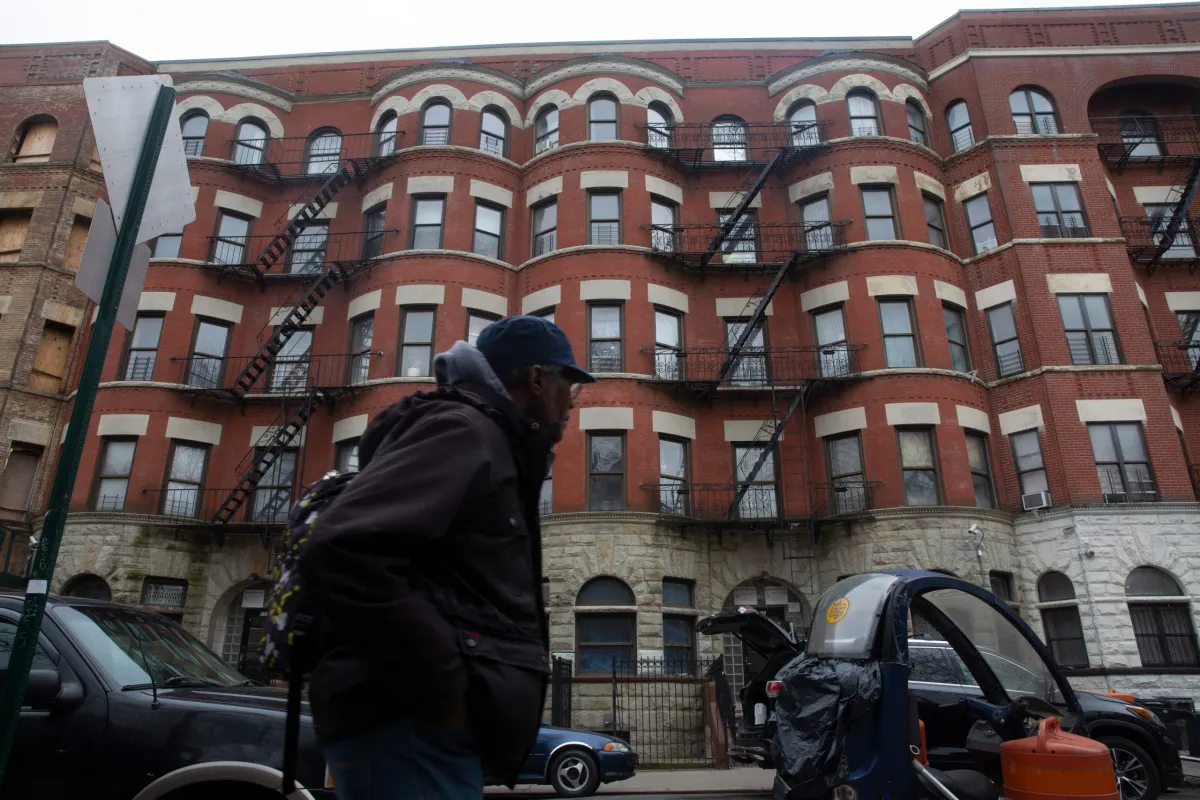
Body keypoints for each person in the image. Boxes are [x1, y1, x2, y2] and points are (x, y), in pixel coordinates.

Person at [299, 316, 592, 800]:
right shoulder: (466, 431)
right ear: (537, 379)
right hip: (411, 730)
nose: (574, 401)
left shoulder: (488, 438)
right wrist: (443, 688)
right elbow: (345, 547)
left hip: (416, 732)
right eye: (569, 383)